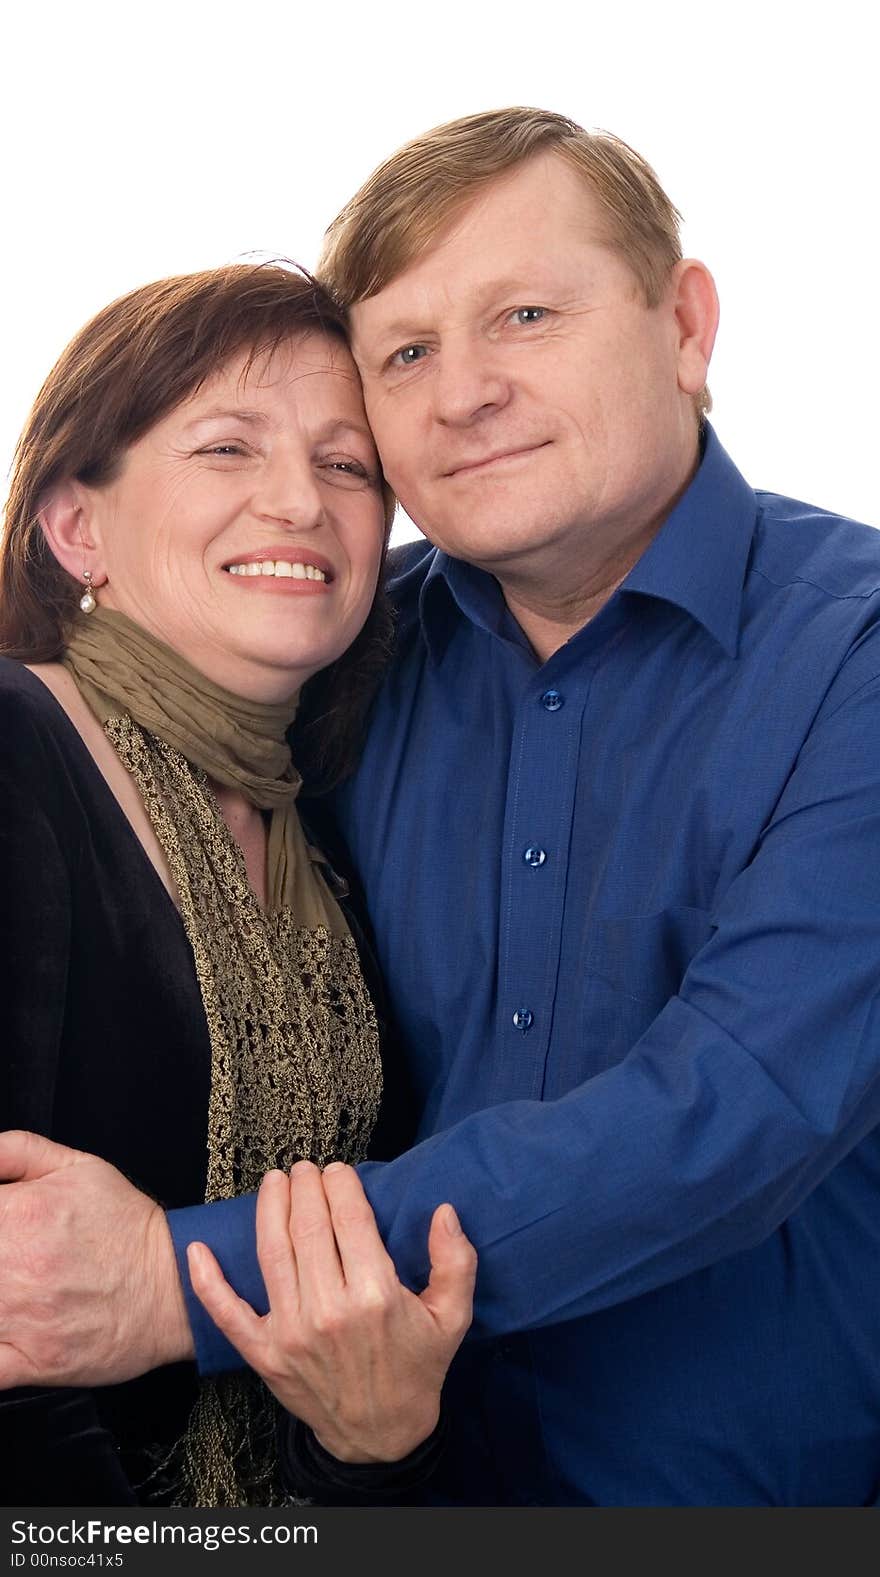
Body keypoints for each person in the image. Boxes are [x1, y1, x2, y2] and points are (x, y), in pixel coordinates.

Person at [3, 104, 880, 1506]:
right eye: (406, 353)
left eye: (524, 314)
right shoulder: (341, 662)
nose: (462, 391)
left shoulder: (855, 659)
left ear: (686, 325)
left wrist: (172, 1277)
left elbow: (736, 1105)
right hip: (375, 1486)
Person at [0, 261, 475, 1508]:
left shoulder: (331, 833)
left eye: (345, 464)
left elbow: (364, 1351)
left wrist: (373, 1446)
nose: (297, 502)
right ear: (75, 527)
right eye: (226, 447)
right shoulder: (14, 748)